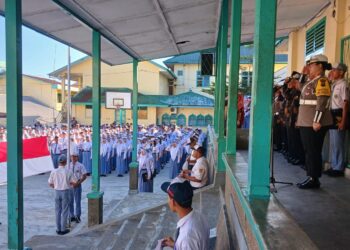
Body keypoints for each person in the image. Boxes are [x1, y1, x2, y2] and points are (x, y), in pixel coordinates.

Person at [296, 54, 333, 189]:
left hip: (313, 122)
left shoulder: (322, 81)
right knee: (309, 150)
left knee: (312, 150)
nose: (309, 67)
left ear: (320, 66)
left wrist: (317, 121)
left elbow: (322, 101)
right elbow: (300, 87)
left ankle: (313, 178)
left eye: (312, 65)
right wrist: (302, 74)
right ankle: (311, 176)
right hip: (306, 121)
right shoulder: (312, 81)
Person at [160, 180, 209, 249]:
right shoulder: (199, 216)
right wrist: (176, 245)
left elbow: (188, 242)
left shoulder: (187, 237)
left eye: (168, 197)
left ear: (173, 202)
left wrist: (182, 244)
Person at [325, 63, 349, 177]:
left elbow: (345, 104)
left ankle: (339, 167)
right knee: (333, 142)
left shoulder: (344, 84)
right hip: (332, 113)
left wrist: (343, 121)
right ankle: (334, 165)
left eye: (335, 70)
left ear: (341, 72)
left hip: (339, 113)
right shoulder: (334, 84)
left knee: (338, 141)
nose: (332, 72)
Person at [48, 154, 76, 235]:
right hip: (65, 192)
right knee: (64, 211)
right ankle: (63, 229)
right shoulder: (68, 171)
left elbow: (50, 183)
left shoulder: (54, 171)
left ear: (58, 162)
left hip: (57, 192)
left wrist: (56, 186)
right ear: (65, 162)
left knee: (57, 211)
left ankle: (58, 228)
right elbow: (74, 182)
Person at [68, 152, 87, 223]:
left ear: (77, 157)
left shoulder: (80, 165)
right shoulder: (68, 165)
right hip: (70, 185)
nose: (73, 158)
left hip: (77, 185)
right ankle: (71, 215)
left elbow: (84, 175)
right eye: (72, 156)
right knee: (70, 201)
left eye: (74, 156)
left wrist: (78, 183)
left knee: (77, 201)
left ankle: (78, 216)